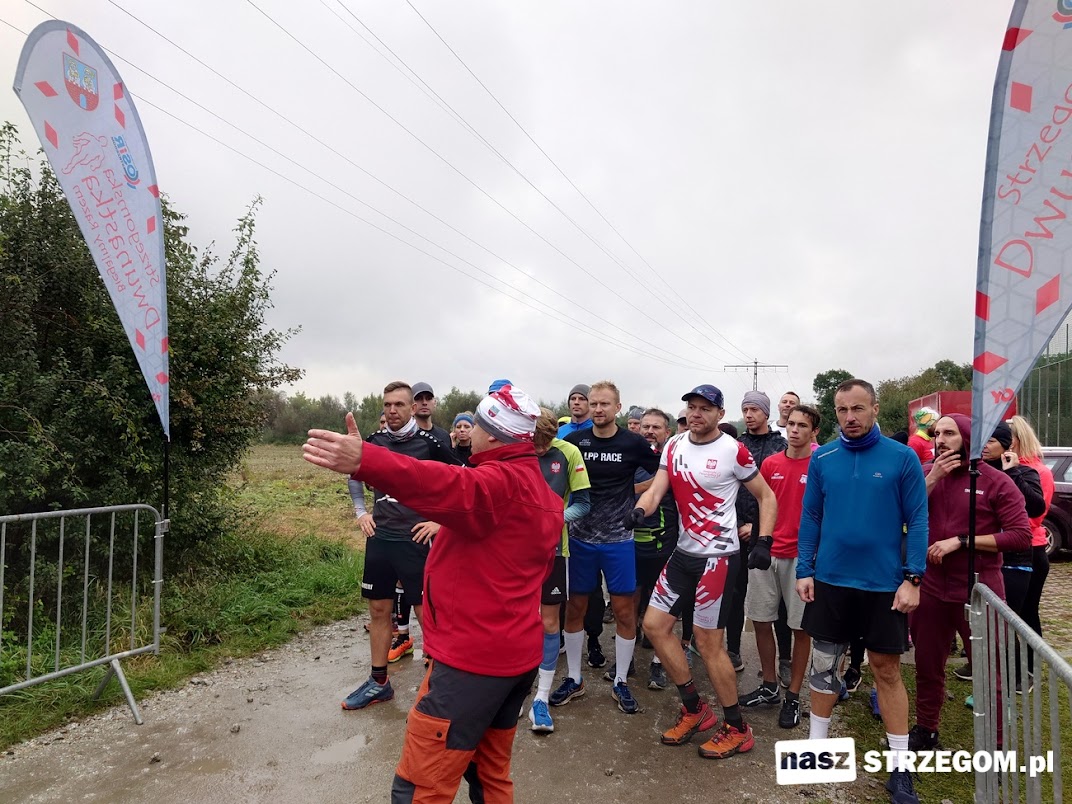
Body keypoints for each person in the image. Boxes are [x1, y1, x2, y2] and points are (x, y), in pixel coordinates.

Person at [304, 385, 563, 803]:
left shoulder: (497, 485)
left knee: (419, 788)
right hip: (516, 656)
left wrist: (366, 459)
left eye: (477, 424)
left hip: (471, 665)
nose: (470, 431)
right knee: (489, 774)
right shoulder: (542, 493)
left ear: (493, 434)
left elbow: (434, 482)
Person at [796, 378, 928, 804]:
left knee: (886, 670)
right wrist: (805, 568)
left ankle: (901, 768)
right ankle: (816, 750)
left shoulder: (902, 457)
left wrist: (913, 578)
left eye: (857, 408)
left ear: (875, 409)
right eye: (842, 410)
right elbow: (811, 515)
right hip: (831, 580)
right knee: (824, 665)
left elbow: (918, 519)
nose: (850, 417)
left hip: (883, 584)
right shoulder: (824, 457)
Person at [633, 384, 777, 759]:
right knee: (654, 626)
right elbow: (656, 491)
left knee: (708, 643)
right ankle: (695, 709)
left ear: (719, 414)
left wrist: (763, 540)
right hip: (684, 554)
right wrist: (639, 511)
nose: (696, 414)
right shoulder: (674, 445)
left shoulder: (733, 450)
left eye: (705, 408)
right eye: (692, 407)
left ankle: (738, 729)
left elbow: (766, 495)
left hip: (719, 558)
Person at [340, 381, 461, 711]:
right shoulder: (374, 441)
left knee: (426, 614)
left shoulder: (432, 443)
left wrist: (441, 522)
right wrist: (361, 512)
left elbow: (463, 481)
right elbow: (354, 474)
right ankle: (379, 682)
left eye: (399, 404)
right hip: (380, 538)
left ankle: (439, 687)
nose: (392, 410)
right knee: (379, 611)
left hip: (415, 541)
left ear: (412, 408)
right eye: (387, 405)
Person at [913, 414, 1032, 750]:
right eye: (937, 433)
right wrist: (932, 478)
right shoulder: (926, 474)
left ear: (967, 438)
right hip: (931, 587)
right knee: (927, 666)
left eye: (949, 433)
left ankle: (996, 746)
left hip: (979, 589)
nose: (940, 440)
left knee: (990, 674)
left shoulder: (995, 481)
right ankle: (926, 730)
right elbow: (899, 513)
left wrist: (962, 541)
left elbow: (1020, 535)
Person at [553, 381, 660, 715]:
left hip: (619, 540)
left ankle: (621, 681)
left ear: (618, 407)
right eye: (594, 403)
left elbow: (663, 475)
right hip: (580, 539)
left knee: (625, 611)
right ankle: (574, 678)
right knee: (575, 609)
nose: (598, 409)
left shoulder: (633, 443)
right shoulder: (574, 442)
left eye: (604, 404)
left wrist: (637, 495)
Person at [741, 404, 820, 729]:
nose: (795, 430)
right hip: (767, 551)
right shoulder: (771, 463)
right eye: (792, 424)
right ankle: (770, 686)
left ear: (814, 432)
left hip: (802, 557)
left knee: (801, 629)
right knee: (761, 620)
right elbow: (761, 502)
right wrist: (758, 535)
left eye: (803, 425)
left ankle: (794, 696)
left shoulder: (820, 464)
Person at [529, 409, 592, 733]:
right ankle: (513, 687)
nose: (540, 449)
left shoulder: (569, 452)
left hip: (554, 551)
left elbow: (583, 503)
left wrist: (554, 518)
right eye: (534, 443)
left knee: (549, 621)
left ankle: (541, 698)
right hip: (514, 552)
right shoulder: (516, 449)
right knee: (517, 619)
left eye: (545, 443)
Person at [728, 391, 787, 676]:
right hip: (736, 531)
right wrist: (739, 523)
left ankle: (784, 659)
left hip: (768, 533)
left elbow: (781, 494)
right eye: (745, 410)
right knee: (735, 592)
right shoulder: (734, 446)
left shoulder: (780, 446)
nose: (749, 415)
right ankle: (733, 650)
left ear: (766, 413)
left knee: (778, 600)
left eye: (754, 409)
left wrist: (759, 527)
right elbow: (728, 489)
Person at [633, 408, 677, 690]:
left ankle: (659, 664)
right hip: (632, 543)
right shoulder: (631, 457)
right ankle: (626, 658)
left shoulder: (675, 458)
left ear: (667, 432)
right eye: (645, 426)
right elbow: (625, 488)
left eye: (656, 427)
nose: (649, 431)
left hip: (667, 544)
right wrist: (658, 481)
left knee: (664, 606)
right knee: (630, 601)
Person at [1008, 415, 1054, 679]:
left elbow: (1036, 515)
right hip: (1006, 549)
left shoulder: (1039, 472)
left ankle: (1030, 669)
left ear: (1018, 439)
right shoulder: (1002, 468)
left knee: (1027, 613)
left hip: (1031, 550)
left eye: (1007, 437)